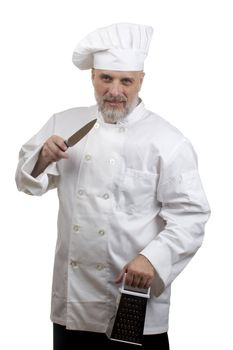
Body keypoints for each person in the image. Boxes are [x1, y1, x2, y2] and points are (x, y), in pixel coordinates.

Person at [15, 23, 210, 350]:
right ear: (92, 76)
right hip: (72, 301)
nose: (115, 91)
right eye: (106, 78)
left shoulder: (167, 140)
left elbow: (191, 216)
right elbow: (26, 182)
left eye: (126, 81)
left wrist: (153, 259)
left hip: (131, 295)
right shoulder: (63, 122)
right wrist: (42, 157)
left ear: (141, 81)